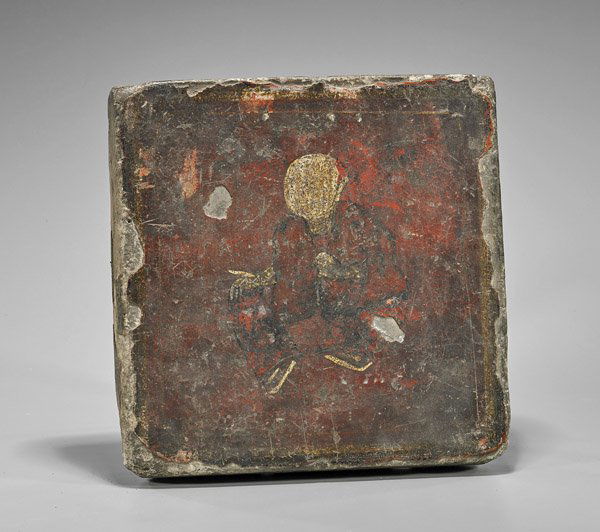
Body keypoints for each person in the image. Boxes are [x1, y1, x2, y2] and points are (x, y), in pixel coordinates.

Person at [229, 154, 407, 393]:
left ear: (337, 188)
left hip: (348, 307)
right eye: (300, 188)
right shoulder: (289, 229)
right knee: (244, 297)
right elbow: (286, 273)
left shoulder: (356, 223)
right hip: (303, 312)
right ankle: (276, 359)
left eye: (316, 187)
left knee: (381, 313)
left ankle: (353, 346)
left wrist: (339, 271)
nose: (308, 197)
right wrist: (258, 280)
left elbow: (381, 273)